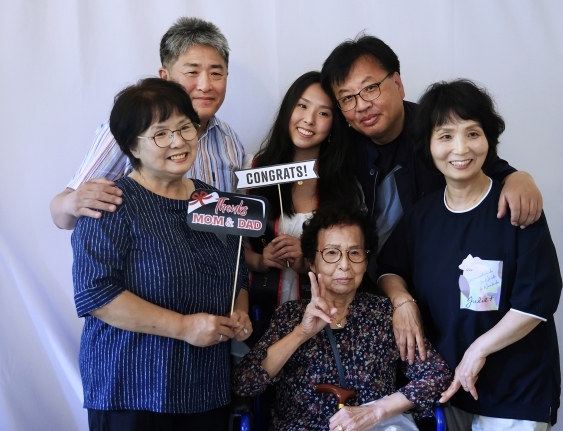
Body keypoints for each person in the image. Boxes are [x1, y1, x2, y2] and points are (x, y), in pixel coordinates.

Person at [320, 33, 545, 365]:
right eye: (347, 97)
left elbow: (485, 163)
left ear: (398, 82)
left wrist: (519, 177)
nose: (361, 105)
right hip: (369, 295)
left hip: (444, 297)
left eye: (370, 88)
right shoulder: (338, 151)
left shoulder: (435, 128)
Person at [377, 79, 562, 430]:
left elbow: (537, 302)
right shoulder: (422, 216)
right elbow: (388, 269)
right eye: (445, 136)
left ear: (488, 139)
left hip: (516, 391)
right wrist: (402, 302)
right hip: (448, 389)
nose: (460, 148)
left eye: (472, 133)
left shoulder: (515, 207)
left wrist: (477, 351)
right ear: (428, 146)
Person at [71, 78, 252, 431]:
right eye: (161, 134)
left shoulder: (216, 201)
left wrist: (240, 311)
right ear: (131, 147)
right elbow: (96, 294)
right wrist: (184, 327)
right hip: (132, 388)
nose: (179, 141)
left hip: (205, 388)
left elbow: (237, 272)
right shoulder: (111, 203)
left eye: (185, 127)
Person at [234, 206, 452, 431]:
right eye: (331, 253)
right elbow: (246, 383)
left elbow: (436, 374)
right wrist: (302, 333)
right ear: (311, 262)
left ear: (366, 261)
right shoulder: (290, 316)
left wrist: (376, 411)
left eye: (355, 253)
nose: (345, 264)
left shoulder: (383, 314)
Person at [51, 17, 245, 230]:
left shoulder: (229, 139)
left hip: (215, 261)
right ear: (165, 77)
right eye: (192, 72)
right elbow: (63, 217)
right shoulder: (131, 131)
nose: (205, 85)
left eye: (216, 73)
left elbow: (230, 222)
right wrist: (71, 203)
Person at [244, 71, 362, 344]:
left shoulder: (343, 184)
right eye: (302, 106)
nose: (309, 119)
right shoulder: (253, 169)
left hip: (320, 326)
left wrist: (307, 262)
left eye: (324, 113)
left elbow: (357, 258)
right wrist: (261, 260)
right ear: (288, 108)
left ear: (335, 124)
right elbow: (231, 249)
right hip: (256, 316)